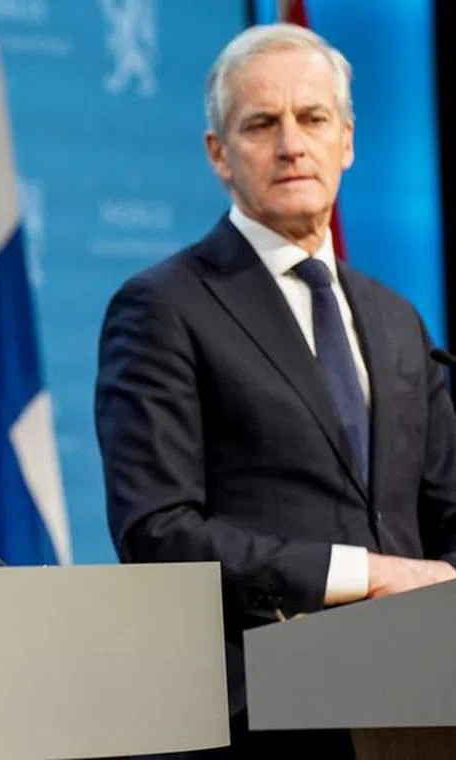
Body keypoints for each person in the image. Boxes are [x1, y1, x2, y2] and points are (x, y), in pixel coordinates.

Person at [94, 23, 456, 759]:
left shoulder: (396, 317)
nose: (292, 143)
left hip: (420, 702)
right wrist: (364, 575)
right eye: (262, 123)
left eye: (313, 118)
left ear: (347, 141)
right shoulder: (164, 306)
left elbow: (442, 509)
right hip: (255, 713)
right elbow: (158, 531)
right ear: (218, 154)